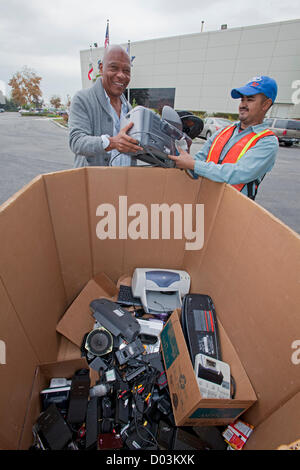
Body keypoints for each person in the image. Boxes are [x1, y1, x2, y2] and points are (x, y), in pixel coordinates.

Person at [168, 76, 279, 200]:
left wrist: (193, 164)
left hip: (233, 209)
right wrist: (180, 157)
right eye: (242, 100)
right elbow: (200, 159)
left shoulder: (267, 142)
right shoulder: (223, 132)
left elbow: (238, 173)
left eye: (250, 100)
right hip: (206, 199)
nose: (243, 105)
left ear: (266, 104)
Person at [69, 45, 142, 167]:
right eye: (114, 68)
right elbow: (76, 141)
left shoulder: (129, 109)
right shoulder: (83, 99)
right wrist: (111, 143)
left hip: (124, 183)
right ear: (101, 68)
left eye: (126, 71)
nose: (121, 75)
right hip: (94, 184)